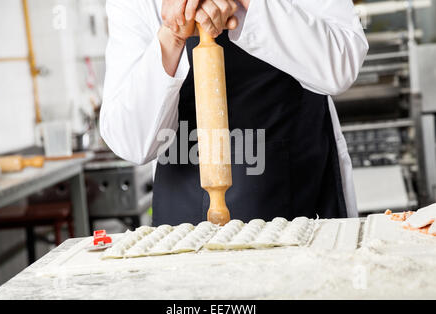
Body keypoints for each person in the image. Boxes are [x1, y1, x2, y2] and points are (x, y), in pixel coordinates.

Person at [100, 0, 369, 226]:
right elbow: (130, 141)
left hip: (299, 206)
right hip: (185, 223)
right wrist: (172, 35)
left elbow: (340, 65)